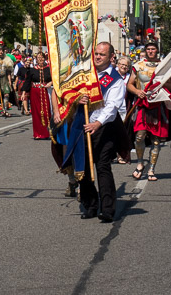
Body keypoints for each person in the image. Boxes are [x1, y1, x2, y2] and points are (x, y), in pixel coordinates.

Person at [76, 42, 128, 222]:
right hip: (83, 124)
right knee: (83, 165)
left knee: (102, 165)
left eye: (102, 55)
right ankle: (90, 204)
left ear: (111, 57)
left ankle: (107, 209)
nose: (98, 57)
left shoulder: (116, 80)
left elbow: (112, 107)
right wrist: (78, 99)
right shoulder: (86, 75)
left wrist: (97, 123)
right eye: (96, 54)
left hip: (105, 127)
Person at [126, 41, 171, 181]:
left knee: (156, 140)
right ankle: (140, 164)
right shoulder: (138, 66)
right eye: (149, 49)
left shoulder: (163, 67)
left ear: (157, 51)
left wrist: (161, 81)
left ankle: (151, 169)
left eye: (153, 49)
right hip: (142, 106)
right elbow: (129, 85)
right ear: (146, 51)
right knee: (139, 136)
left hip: (158, 107)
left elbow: (170, 86)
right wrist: (138, 91)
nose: (151, 51)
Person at [22, 51, 53, 139]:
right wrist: (24, 93)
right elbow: (27, 82)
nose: (40, 59)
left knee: (47, 112)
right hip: (35, 92)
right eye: (39, 58)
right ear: (36, 59)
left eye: (42, 57)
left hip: (46, 91)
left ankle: (47, 132)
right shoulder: (32, 70)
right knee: (36, 113)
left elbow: (54, 78)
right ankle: (38, 134)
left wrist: (50, 83)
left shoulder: (48, 69)